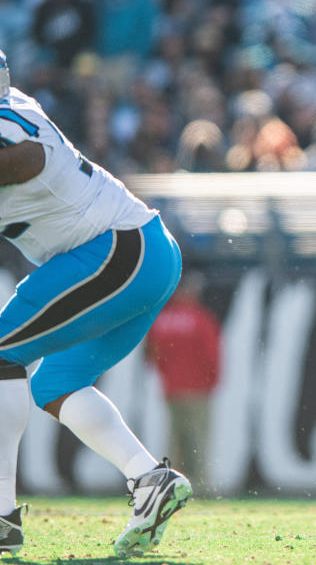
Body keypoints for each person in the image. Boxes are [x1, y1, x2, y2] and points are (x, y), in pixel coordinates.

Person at [0, 49, 191, 556]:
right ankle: (150, 479)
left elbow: (24, 158)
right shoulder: (13, 104)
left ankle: (0, 517)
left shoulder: (12, 131)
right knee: (56, 383)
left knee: (1, 356)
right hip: (143, 250)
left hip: (116, 251)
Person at [146, 269, 221, 494]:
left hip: (171, 388)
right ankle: (201, 485)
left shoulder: (163, 319)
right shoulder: (200, 318)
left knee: (175, 439)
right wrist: (212, 380)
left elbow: (153, 356)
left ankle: (171, 486)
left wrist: (168, 376)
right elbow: (211, 355)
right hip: (198, 388)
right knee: (198, 438)